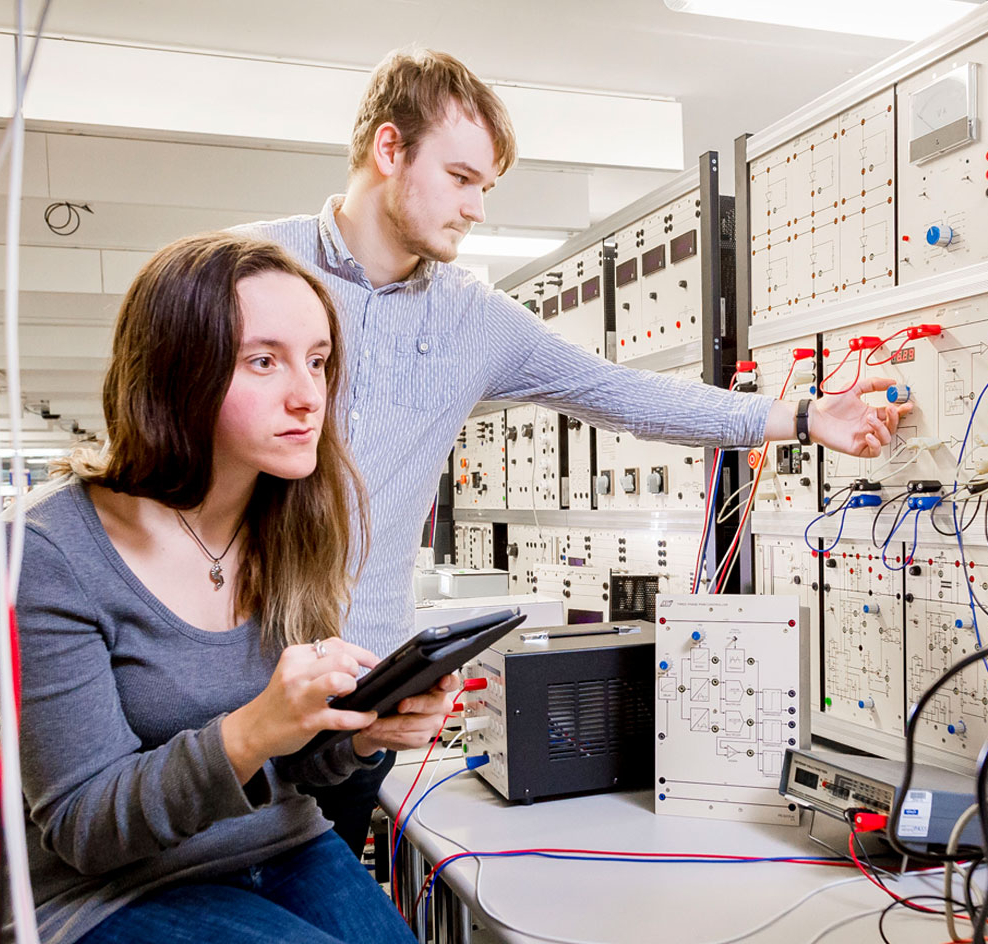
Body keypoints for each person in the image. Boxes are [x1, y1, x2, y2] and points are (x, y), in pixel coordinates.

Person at [236, 47, 909, 852]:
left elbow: (629, 395)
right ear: (389, 151)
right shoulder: (247, 268)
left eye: (487, 187)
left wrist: (801, 416)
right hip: (228, 681)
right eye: (461, 178)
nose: (477, 208)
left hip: (361, 700)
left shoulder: (475, 321)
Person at [0, 233, 447, 944]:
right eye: (263, 361)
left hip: (278, 842)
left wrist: (359, 736)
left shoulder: (292, 517)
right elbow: (82, 825)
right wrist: (255, 726)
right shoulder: (48, 549)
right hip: (102, 889)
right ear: (175, 372)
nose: (306, 396)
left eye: (318, 362)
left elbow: (292, 766)